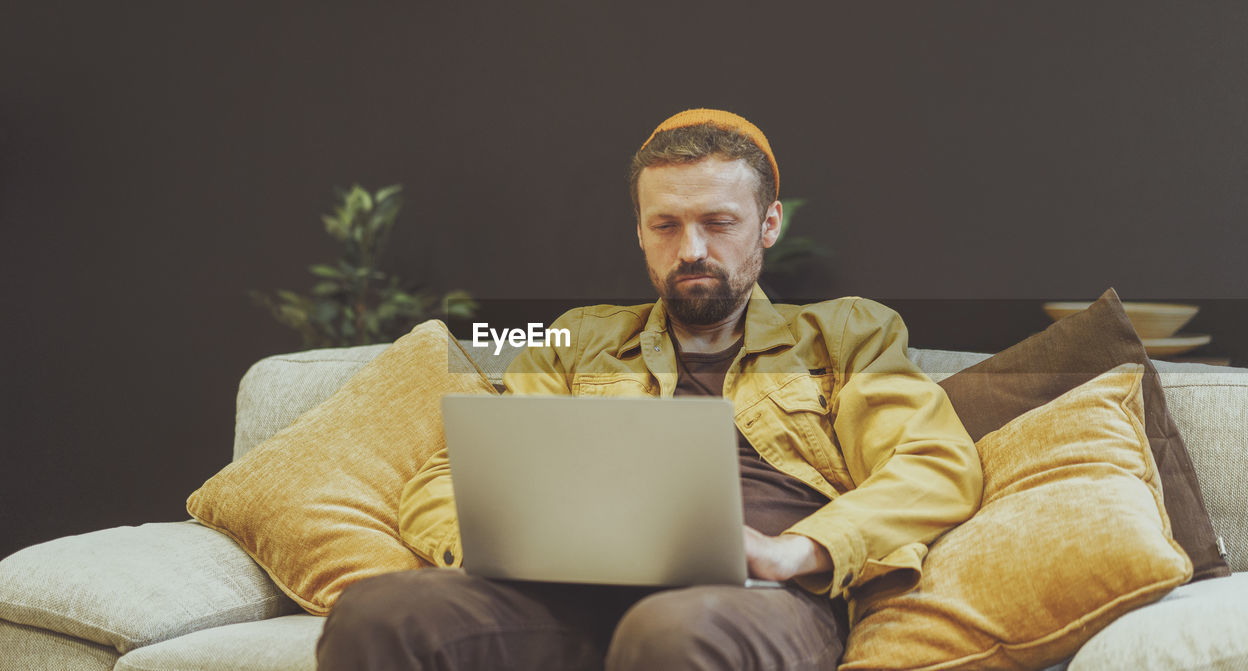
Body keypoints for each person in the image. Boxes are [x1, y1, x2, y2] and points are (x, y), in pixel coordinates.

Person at [316, 109, 983, 670]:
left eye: (718, 223)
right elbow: (450, 474)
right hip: (570, 592)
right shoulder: (577, 340)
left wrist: (792, 552)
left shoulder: (847, 332)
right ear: (640, 231)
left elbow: (935, 464)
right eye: (665, 225)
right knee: (379, 611)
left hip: (756, 600)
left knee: (671, 631)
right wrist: (501, 548)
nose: (691, 248)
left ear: (769, 224)